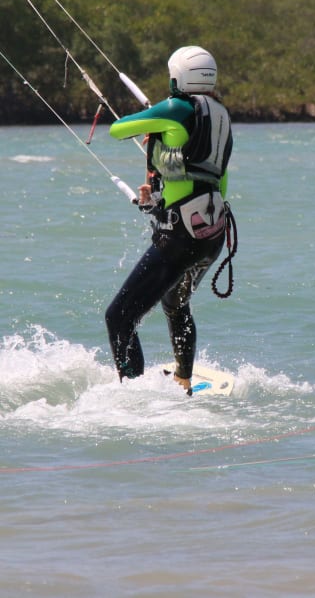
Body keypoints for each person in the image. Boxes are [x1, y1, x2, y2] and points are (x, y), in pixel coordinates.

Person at [105, 45, 233, 394]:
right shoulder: (220, 116)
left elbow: (118, 129)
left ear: (177, 76)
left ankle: (133, 397)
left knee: (119, 318)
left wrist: (158, 128)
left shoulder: (177, 107)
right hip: (213, 235)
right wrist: (162, 156)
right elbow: (215, 179)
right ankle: (183, 380)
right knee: (175, 305)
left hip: (180, 237)